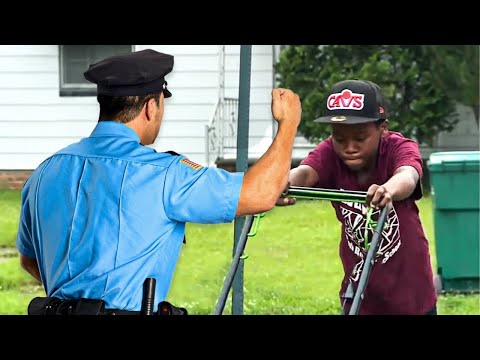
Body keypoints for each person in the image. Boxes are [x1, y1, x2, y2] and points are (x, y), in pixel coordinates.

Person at [16, 49, 302, 315]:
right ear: (151, 107)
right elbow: (260, 194)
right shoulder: (164, 174)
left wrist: (77, 303)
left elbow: (29, 260)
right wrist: (288, 124)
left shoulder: (44, 173)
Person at [277, 79, 437, 315]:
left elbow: (408, 174)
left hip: (410, 289)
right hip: (360, 288)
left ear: (382, 129)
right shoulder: (330, 152)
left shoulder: (398, 147)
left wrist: (388, 189)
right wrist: (281, 182)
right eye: (340, 138)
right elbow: (305, 172)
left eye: (360, 138)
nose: (349, 147)